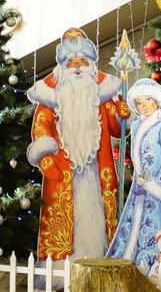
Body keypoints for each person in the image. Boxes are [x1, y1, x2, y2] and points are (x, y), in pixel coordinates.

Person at [26, 28, 127, 262]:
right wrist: (45, 155)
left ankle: (104, 260)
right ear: (63, 66)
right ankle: (60, 271)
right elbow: (42, 125)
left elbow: (116, 128)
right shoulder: (50, 98)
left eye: (82, 61)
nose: (78, 66)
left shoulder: (100, 95)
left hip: (98, 169)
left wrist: (122, 115)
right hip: (63, 171)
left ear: (91, 64)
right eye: (72, 62)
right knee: (62, 215)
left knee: (103, 216)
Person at [105, 78, 161, 275]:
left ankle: (160, 272)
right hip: (139, 188)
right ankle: (133, 268)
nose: (143, 105)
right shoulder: (136, 127)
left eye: (147, 100)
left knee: (160, 230)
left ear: (157, 100)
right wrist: (141, 181)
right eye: (139, 102)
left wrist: (157, 185)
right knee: (132, 231)